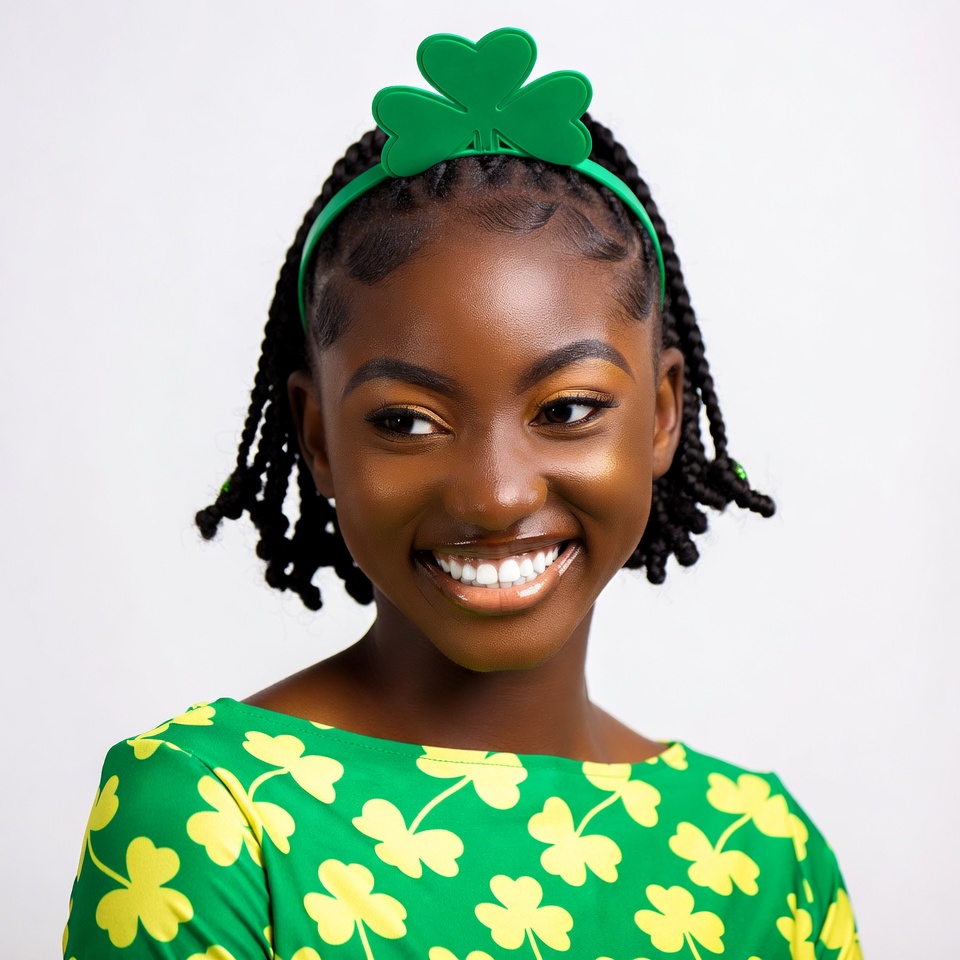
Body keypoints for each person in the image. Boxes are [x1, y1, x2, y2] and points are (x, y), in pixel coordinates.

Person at [63, 27, 862, 960]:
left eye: (566, 408)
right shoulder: (211, 813)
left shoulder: (766, 858)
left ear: (661, 418)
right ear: (318, 440)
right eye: (406, 421)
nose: (494, 493)